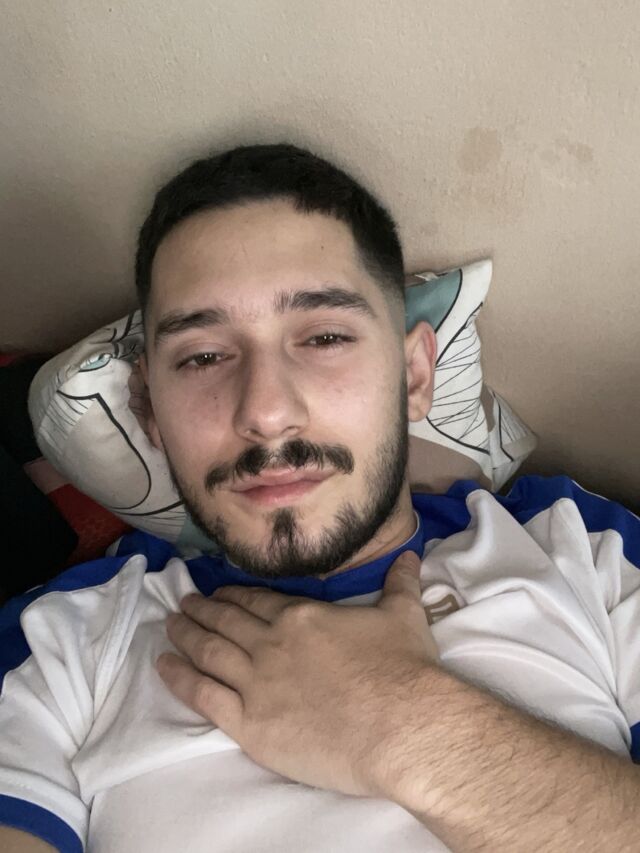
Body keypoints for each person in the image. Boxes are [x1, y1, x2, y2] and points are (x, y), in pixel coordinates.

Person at [1, 143, 639, 853]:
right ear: (149, 407)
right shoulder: (61, 641)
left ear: (414, 376)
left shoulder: (588, 549)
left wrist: (405, 723)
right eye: (203, 356)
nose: (266, 412)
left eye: (325, 336)